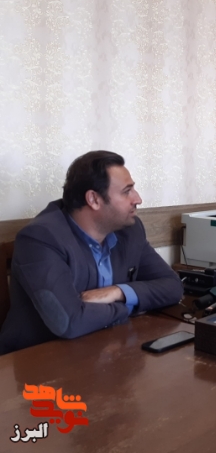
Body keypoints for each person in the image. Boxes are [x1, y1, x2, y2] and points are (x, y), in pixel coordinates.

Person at [0, 151, 183, 354]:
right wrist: (129, 306)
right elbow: (69, 322)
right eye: (127, 191)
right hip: (39, 358)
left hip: (105, 350)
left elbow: (173, 287)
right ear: (94, 199)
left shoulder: (130, 231)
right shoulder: (40, 238)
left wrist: (118, 292)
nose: (138, 199)